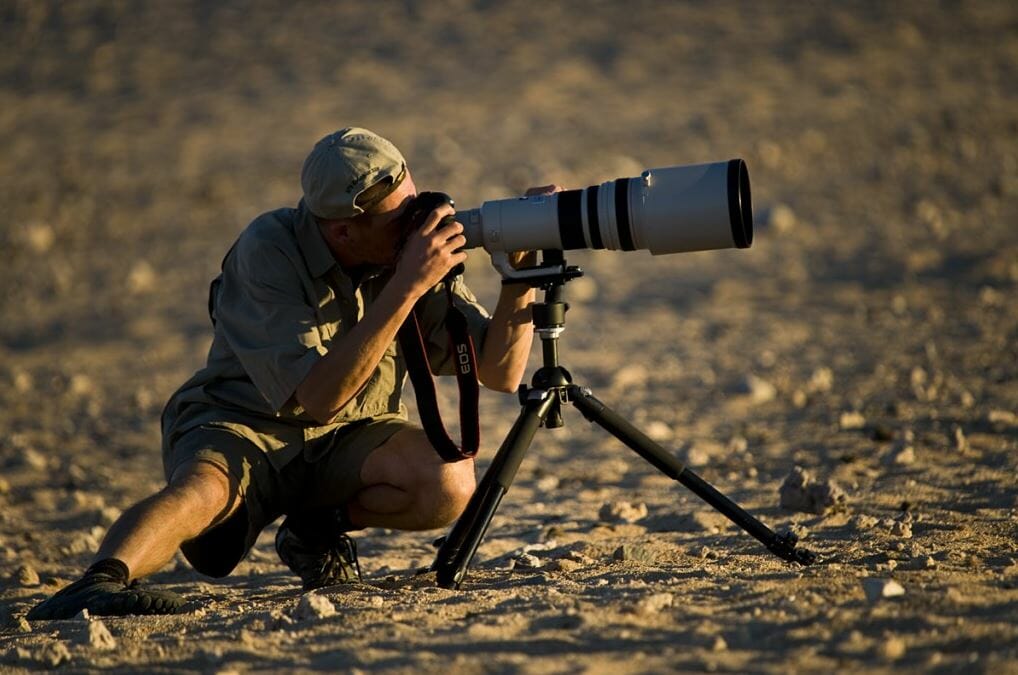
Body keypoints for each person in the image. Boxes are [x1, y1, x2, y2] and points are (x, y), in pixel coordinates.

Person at [29, 127, 552, 620]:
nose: (417, 229)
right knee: (203, 493)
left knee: (448, 480)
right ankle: (100, 581)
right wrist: (407, 285)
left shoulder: (407, 256)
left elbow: (500, 373)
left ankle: (315, 528)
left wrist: (519, 279)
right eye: (401, 221)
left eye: (415, 206)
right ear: (344, 230)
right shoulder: (269, 251)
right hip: (246, 425)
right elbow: (318, 397)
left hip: (349, 435)